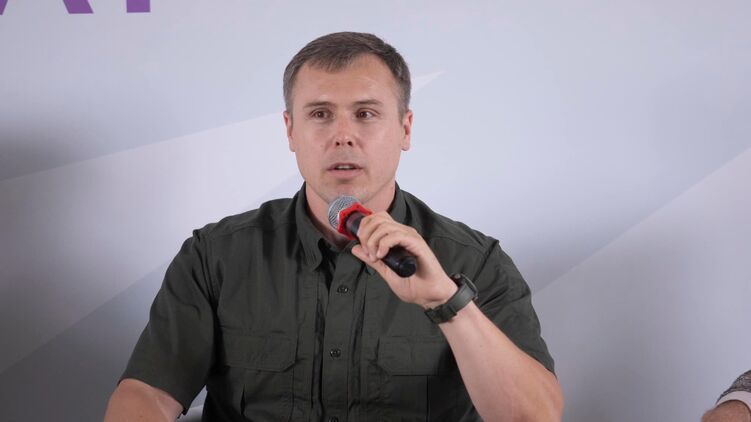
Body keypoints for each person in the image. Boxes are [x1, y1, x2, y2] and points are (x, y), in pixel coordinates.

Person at [104, 31, 563, 422]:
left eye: (365, 113)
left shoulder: (475, 260)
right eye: (320, 114)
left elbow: (534, 416)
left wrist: (446, 301)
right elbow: (147, 394)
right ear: (290, 130)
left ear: (405, 129)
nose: (343, 135)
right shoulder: (216, 255)